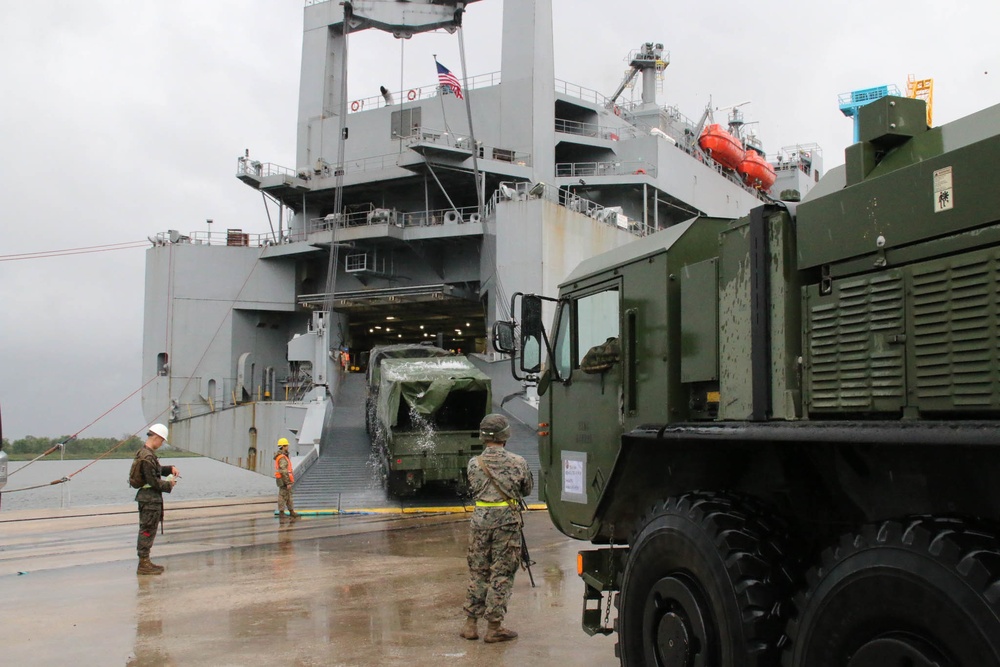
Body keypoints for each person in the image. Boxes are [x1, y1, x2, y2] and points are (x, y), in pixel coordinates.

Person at [460, 413, 533, 643]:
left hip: (480, 520)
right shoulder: (518, 462)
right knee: (501, 574)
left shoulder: (474, 463)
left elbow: (471, 487)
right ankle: (494, 627)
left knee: (478, 571)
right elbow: (527, 489)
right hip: (506, 523)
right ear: (505, 435)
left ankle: (470, 625)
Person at [134, 423, 178, 575]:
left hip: (149, 499)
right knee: (147, 530)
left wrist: (168, 469)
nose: (162, 443)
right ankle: (143, 563)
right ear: (157, 437)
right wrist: (169, 484)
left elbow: (155, 471)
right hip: (150, 500)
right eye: (162, 440)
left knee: (148, 529)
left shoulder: (146, 454)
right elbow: (152, 480)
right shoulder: (147, 456)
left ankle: (145, 561)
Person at [274, 438, 298, 518]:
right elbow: (284, 471)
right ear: (283, 446)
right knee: (283, 496)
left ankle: (291, 511)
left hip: (283, 479)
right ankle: (282, 512)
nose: (288, 447)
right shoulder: (282, 458)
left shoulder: (282, 456)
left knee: (288, 496)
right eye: (287, 445)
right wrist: (287, 482)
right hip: (284, 480)